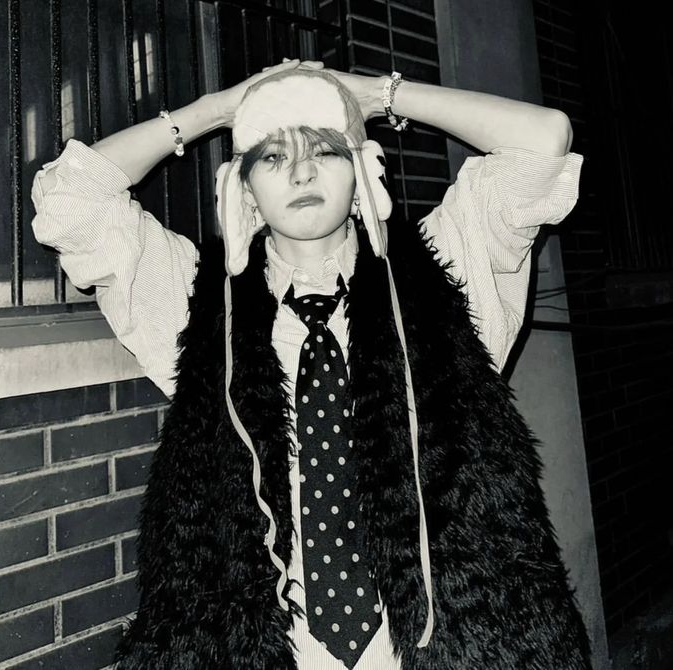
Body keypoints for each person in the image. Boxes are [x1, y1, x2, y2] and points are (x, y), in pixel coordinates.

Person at [32, 59, 592, 669]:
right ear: (242, 187)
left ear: (360, 169)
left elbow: (544, 140)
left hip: (451, 642)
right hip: (273, 648)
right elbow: (72, 196)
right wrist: (221, 109)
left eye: (324, 151)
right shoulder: (196, 300)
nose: (300, 171)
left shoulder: (445, 272)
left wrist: (375, 97)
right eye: (272, 157)